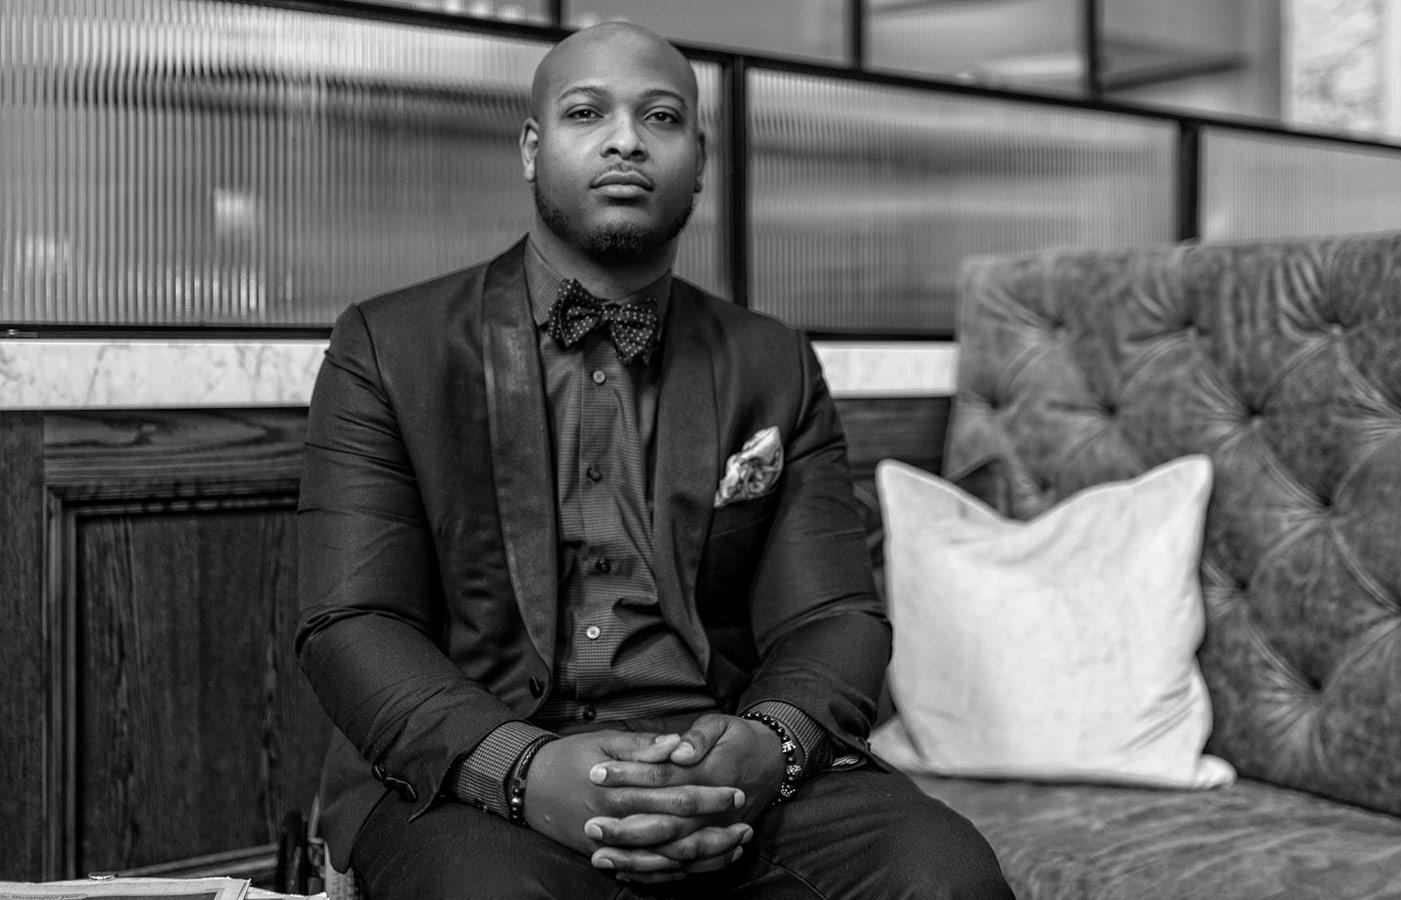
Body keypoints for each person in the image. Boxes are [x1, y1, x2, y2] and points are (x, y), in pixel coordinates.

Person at [296, 21, 1014, 900]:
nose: (627, 137)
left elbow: (834, 616)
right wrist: (523, 771)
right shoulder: (387, 347)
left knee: (946, 877)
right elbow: (352, 622)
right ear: (532, 148)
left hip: (725, 762)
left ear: (700, 160)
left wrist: (768, 745)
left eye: (662, 117)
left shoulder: (773, 363)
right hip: (469, 772)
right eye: (587, 111)